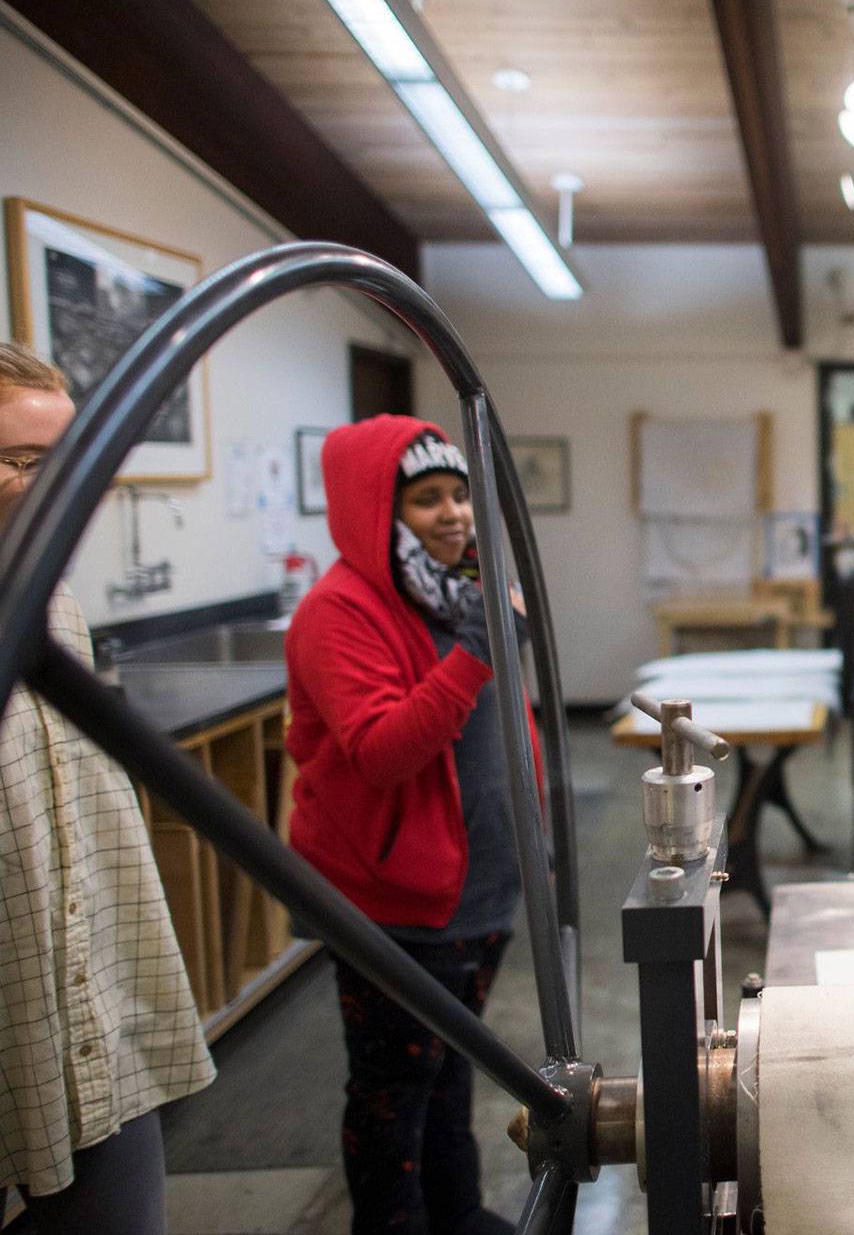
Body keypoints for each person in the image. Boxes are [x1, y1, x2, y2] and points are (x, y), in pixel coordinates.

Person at [286, 415, 533, 1235]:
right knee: (394, 1087)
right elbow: (381, 753)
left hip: (478, 887)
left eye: (459, 494)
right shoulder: (340, 612)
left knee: (450, 1066)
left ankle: (455, 1213)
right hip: (395, 900)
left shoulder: (454, 593)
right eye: (426, 499)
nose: (454, 514)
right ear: (373, 509)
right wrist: (474, 648)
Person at [0, 343, 215, 1233]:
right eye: (21, 461)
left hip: (91, 1006)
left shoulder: (50, 601)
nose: (54, 490)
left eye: (69, 462)